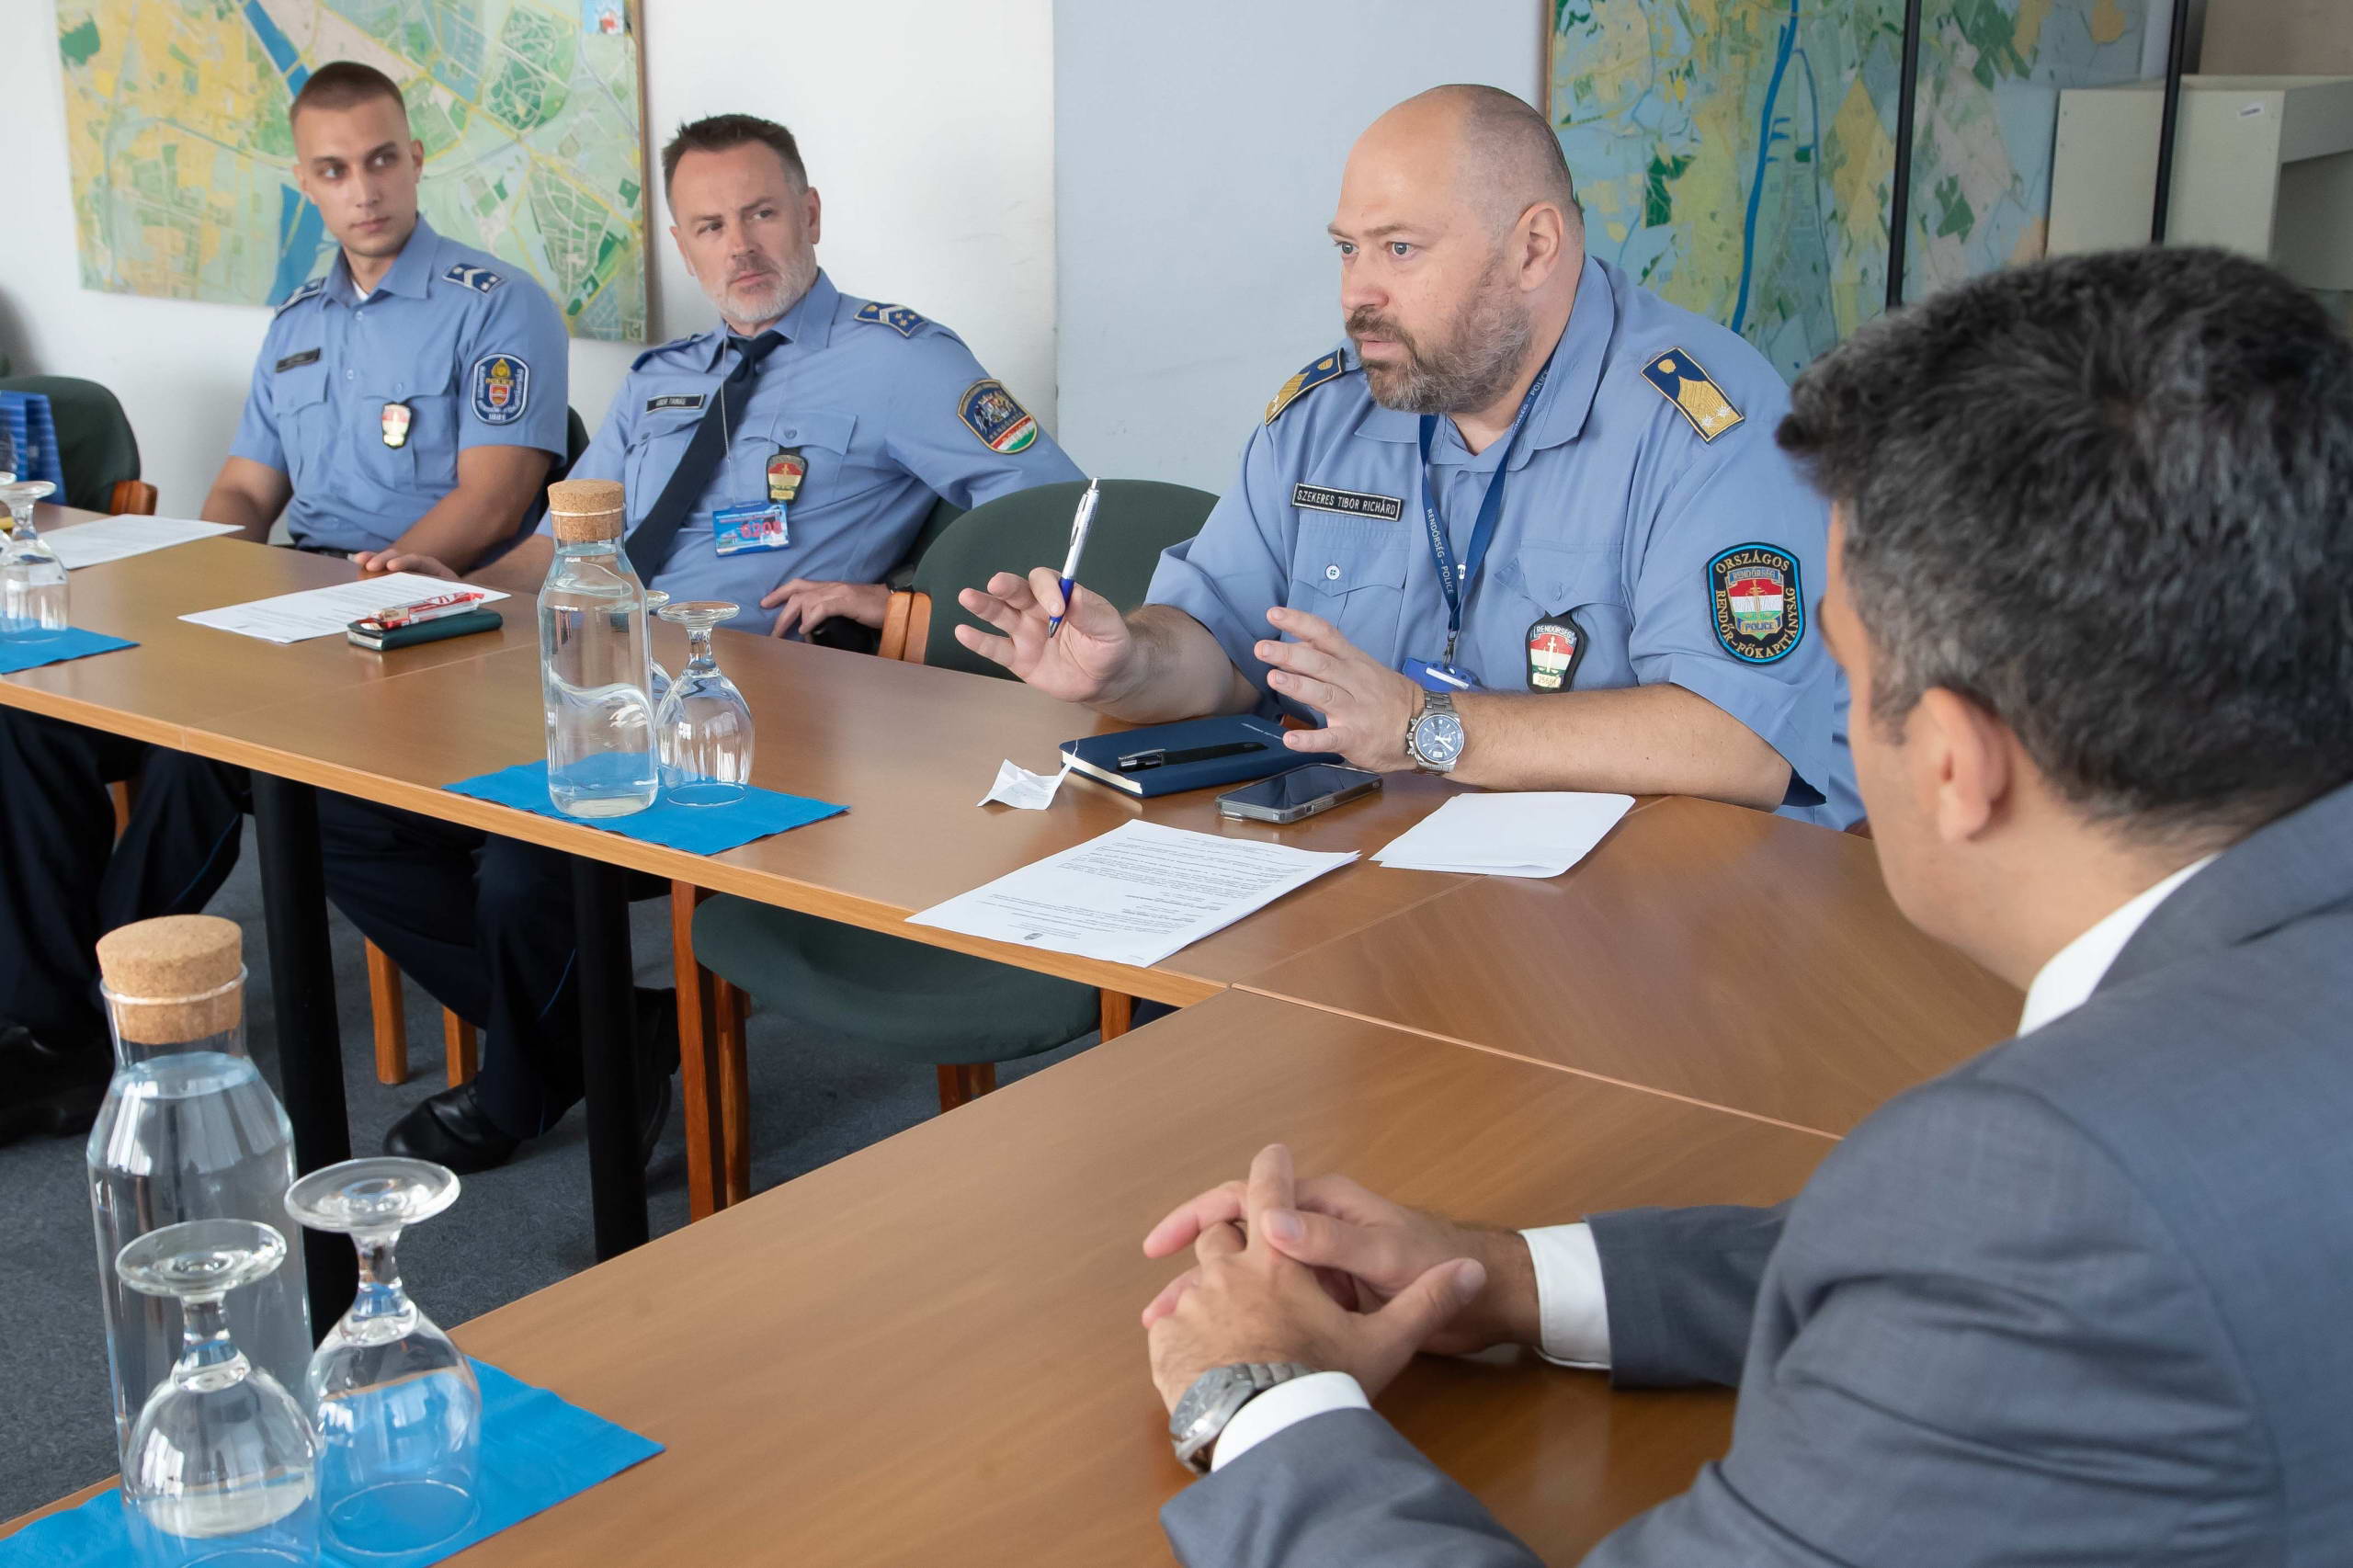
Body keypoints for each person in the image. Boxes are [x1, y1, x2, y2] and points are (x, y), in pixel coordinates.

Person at [1133, 244, 2353, 1564]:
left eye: (1843, 674)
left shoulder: (2051, 1185)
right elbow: (1972, 1263)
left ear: (1955, 763)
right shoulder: (2114, 1151)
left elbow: (2027, 1251)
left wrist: (1261, 1398)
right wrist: (1510, 1275)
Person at [337, 112, 1084, 1172]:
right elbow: (565, 542)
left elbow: (1055, 510)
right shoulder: (661, 377)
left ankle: (521, 1086)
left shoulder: (899, 360)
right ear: (683, 245)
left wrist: (897, 603)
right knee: (342, 810)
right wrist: (448, 580)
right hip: (597, 685)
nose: (741, 247)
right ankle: (616, 1033)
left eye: (762, 214)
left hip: (759, 712)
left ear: (809, 214)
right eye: (710, 226)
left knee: (522, 871)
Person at [959, 86, 1855, 825]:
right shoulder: (1327, 413)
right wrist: (1131, 666)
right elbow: (1225, 651)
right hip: (1372, 875)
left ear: (1533, 247)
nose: (1358, 295)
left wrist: (1427, 727)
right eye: (1347, 250)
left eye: (1399, 249)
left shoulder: (1703, 423)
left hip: (1639, 911)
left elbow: (1740, 744)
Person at [0, 61, 567, 1145]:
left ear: (415, 158)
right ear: (305, 183)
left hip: (427, 621)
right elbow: (247, 491)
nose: (365, 189)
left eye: (383, 159)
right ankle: (49, 1012)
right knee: (35, 712)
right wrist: (190, 566)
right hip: (293, 605)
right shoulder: (299, 321)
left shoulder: (496, 305)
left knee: (210, 751)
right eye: (336, 170)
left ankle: (83, 1017)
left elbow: (499, 497)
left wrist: (399, 568)